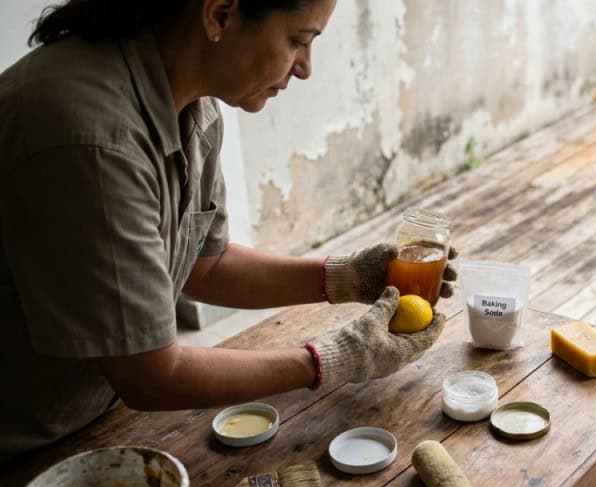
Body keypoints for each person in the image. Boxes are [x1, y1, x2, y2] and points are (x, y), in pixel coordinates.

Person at [0, 0, 454, 462]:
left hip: (92, 418)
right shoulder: (92, 139)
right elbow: (150, 374)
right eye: (298, 41)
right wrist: (332, 359)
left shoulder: (196, 109)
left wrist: (349, 276)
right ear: (219, 15)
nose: (305, 69)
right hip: (20, 447)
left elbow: (206, 265)